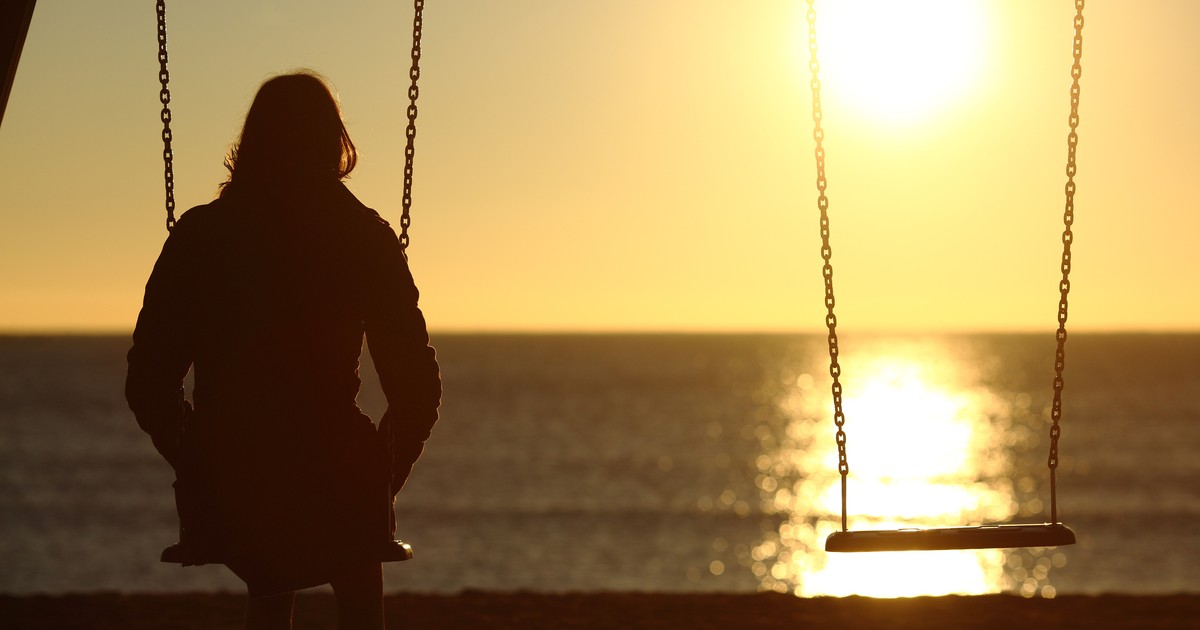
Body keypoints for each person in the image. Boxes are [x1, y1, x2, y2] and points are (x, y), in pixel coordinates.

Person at [126, 71, 441, 630]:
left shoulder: (202, 235)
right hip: (334, 471)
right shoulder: (362, 237)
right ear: (333, 143)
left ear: (252, 141)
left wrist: (199, 458)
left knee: (269, 570)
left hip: (234, 472)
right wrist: (381, 475)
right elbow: (416, 389)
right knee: (355, 561)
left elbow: (149, 381)